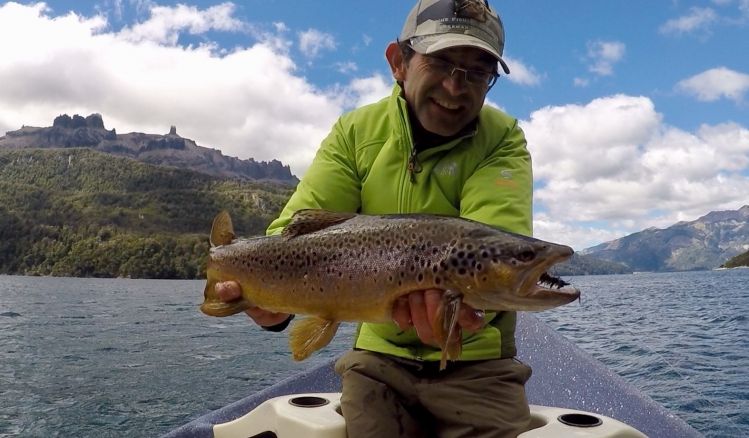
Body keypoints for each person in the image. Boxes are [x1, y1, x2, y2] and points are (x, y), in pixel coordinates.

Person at [216, 0, 534, 436]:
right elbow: (292, 234)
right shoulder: (355, 132)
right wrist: (271, 303)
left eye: (478, 72)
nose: (457, 87)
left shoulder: (503, 139)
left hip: (478, 361)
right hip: (378, 360)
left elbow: (494, 249)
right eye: (441, 62)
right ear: (398, 62)